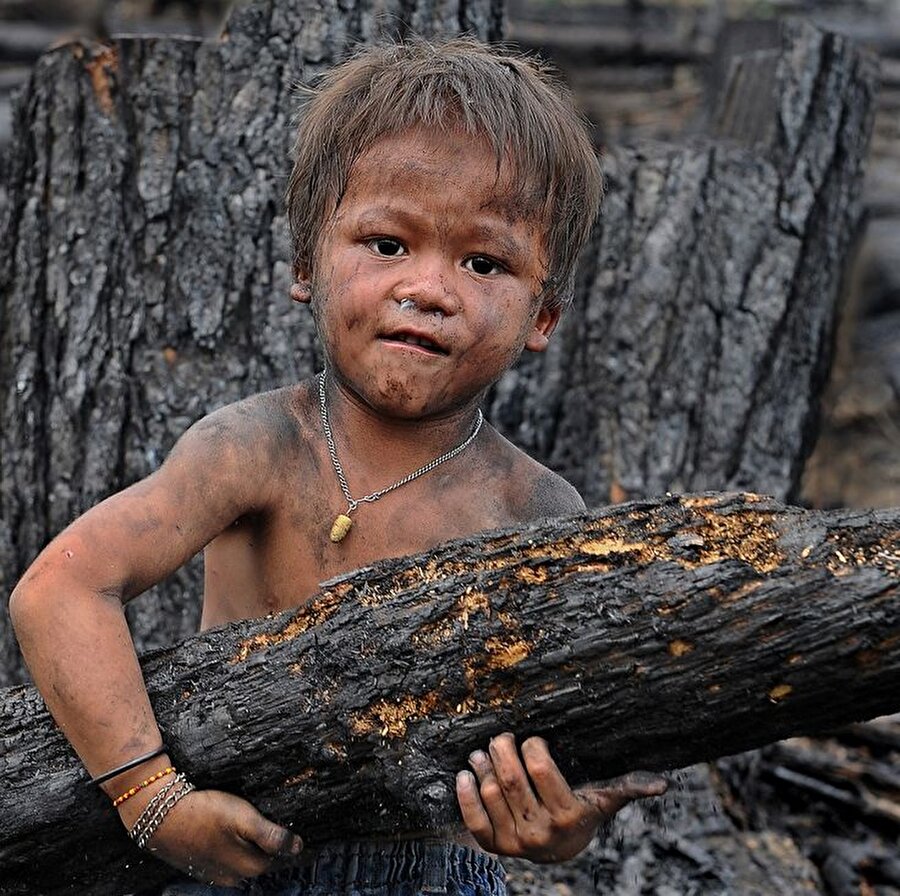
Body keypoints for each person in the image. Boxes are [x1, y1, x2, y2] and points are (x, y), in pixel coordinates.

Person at [10, 36, 665, 896]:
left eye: (483, 262)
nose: (429, 288)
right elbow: (57, 591)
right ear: (304, 265)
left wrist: (559, 826)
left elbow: (574, 745)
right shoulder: (257, 448)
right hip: (237, 850)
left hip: (438, 873)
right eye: (388, 243)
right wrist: (152, 797)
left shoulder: (534, 508)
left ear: (541, 314)